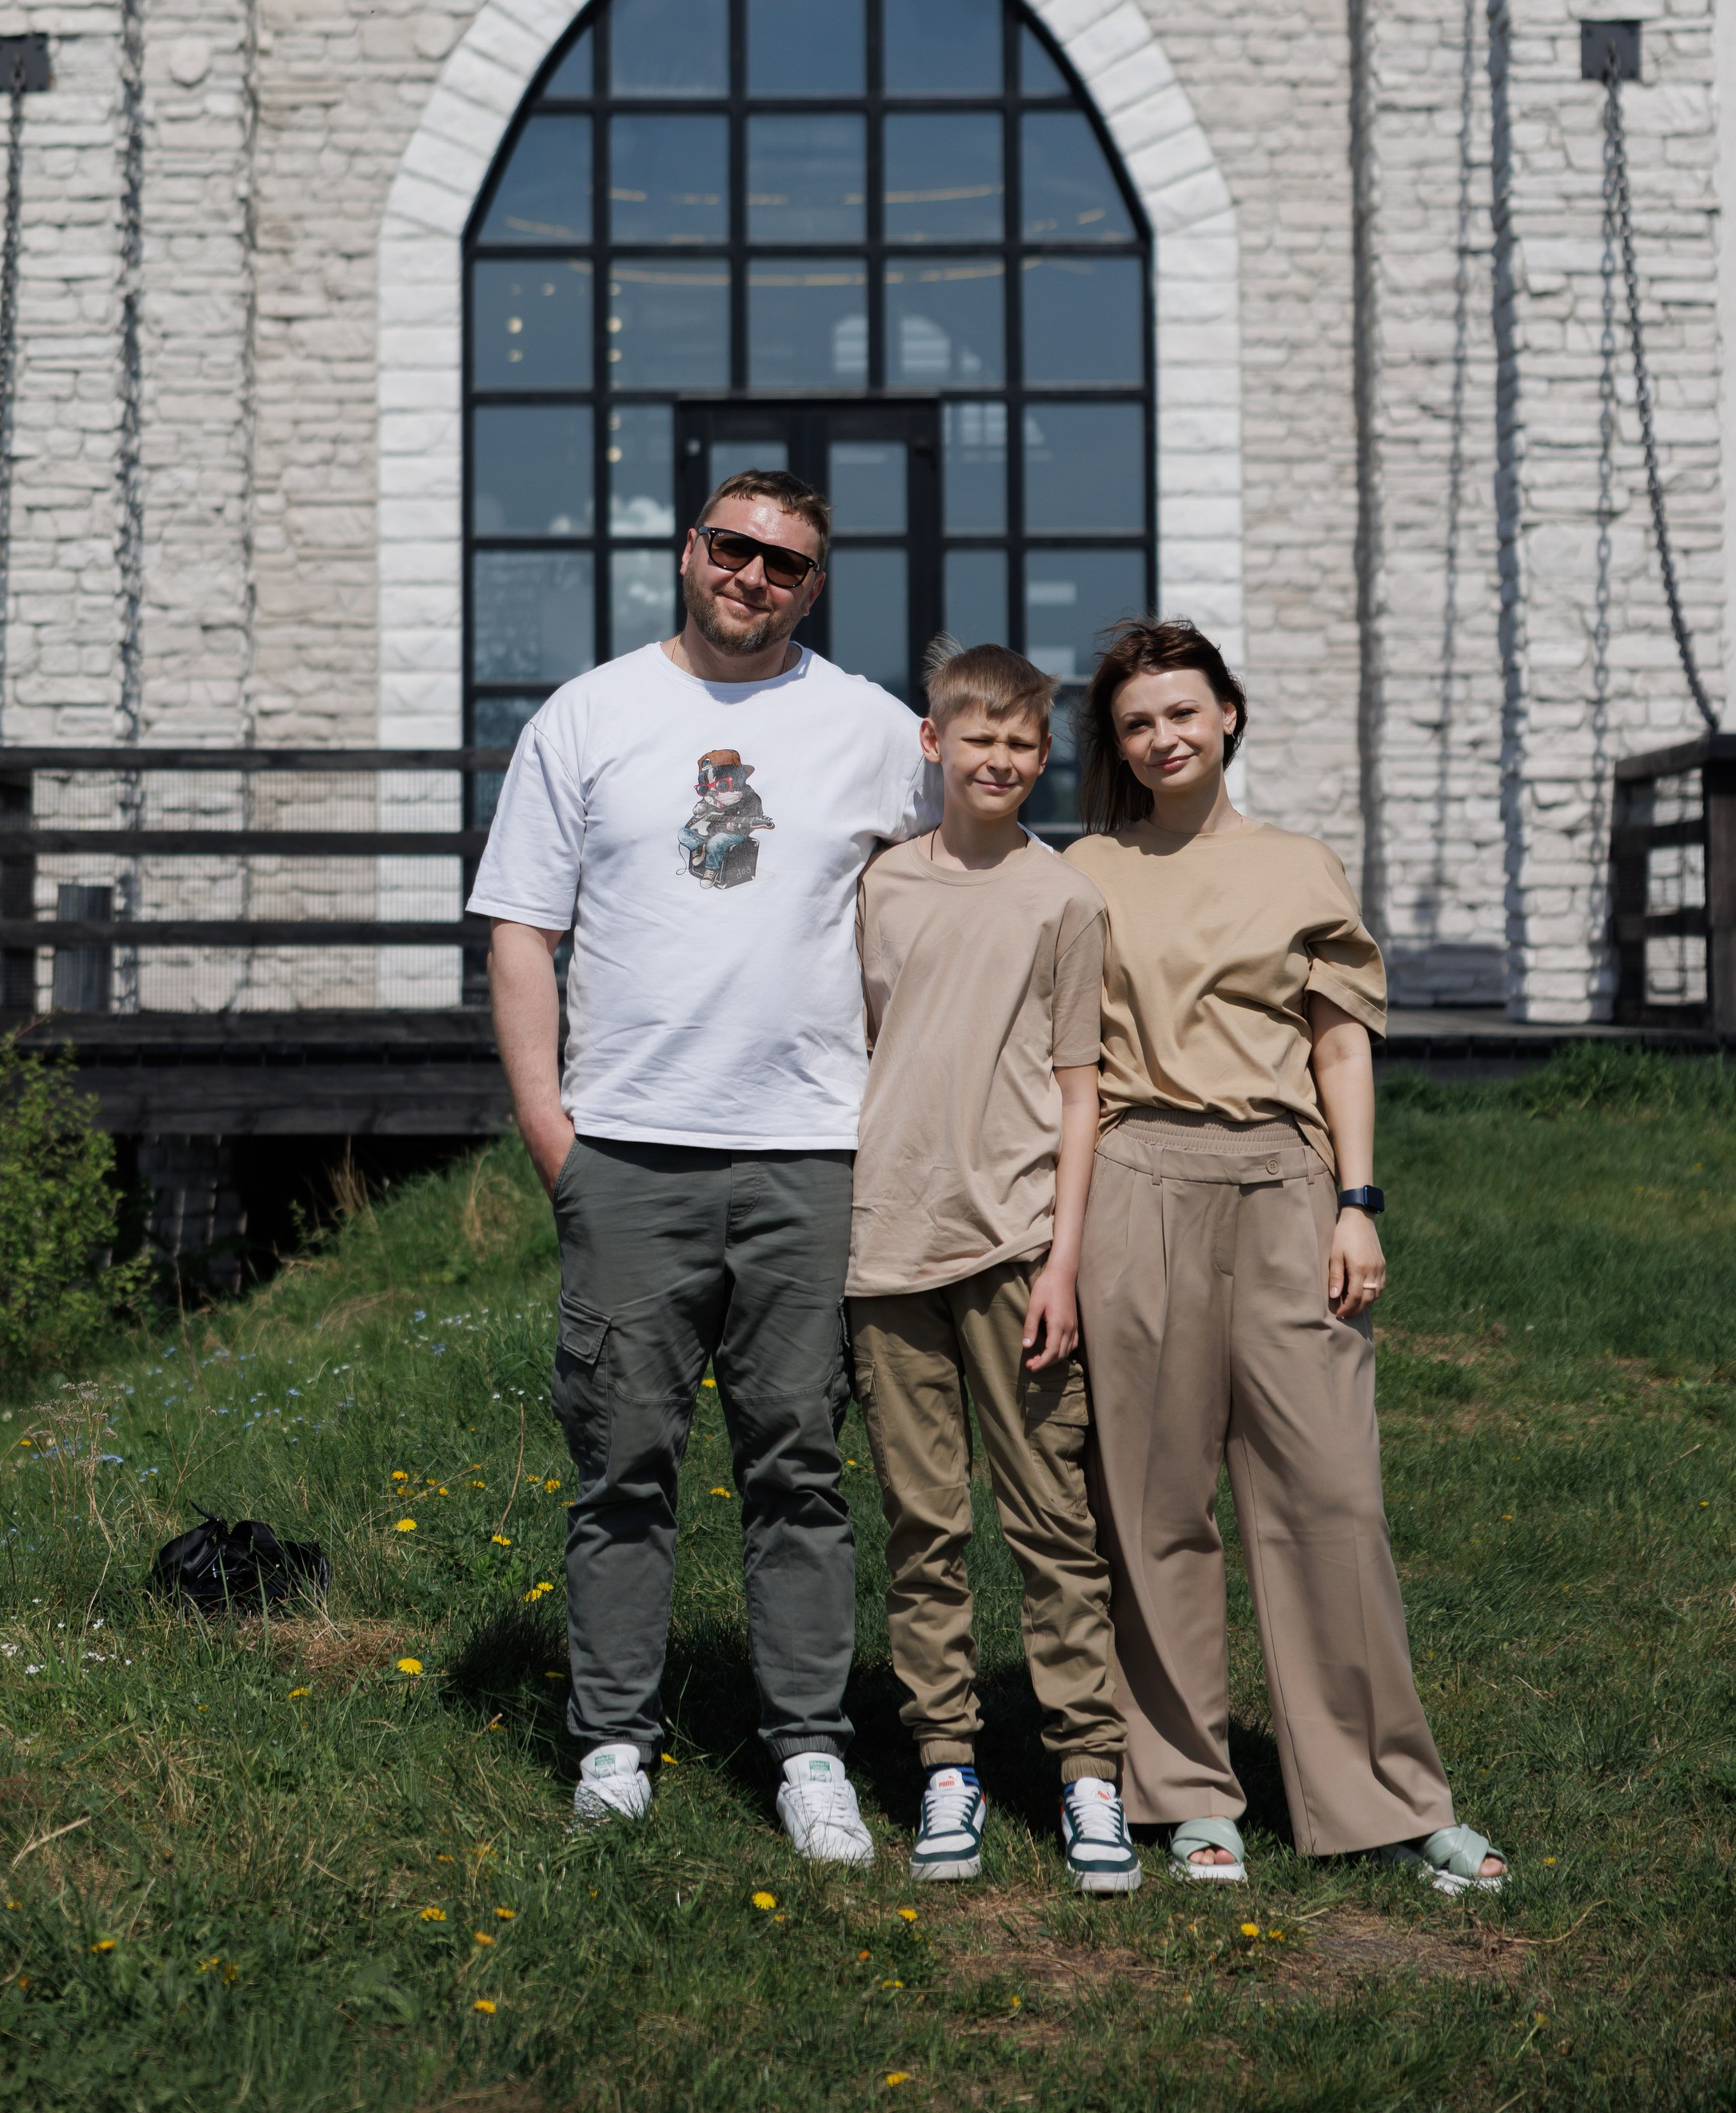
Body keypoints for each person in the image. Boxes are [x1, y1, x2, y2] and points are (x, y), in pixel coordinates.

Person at [470, 469, 936, 1859]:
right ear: (689, 552)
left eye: (784, 563)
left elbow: (974, 864)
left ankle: (809, 1752)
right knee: (623, 1463)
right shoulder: (592, 714)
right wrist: (556, 1135)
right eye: (732, 547)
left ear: (813, 585)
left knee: (801, 1465)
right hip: (628, 1154)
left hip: (811, 1153)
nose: (753, 576)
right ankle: (615, 1737)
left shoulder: (865, 728)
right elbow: (517, 933)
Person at [1066, 618, 1509, 1895]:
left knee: (1332, 1498)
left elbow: (1339, 1048)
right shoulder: (1082, 869)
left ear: (1230, 716)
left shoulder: (1301, 866)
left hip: (1284, 1184)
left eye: (1183, 712)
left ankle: (1386, 1790)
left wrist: (1356, 1202)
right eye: (1139, 721)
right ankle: (1189, 1791)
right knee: (1152, 1506)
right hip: (1137, 1184)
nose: (1163, 736)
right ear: (1120, 742)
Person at [846, 643, 1139, 1896]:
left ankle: (1088, 1774)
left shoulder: (1063, 897)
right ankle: (949, 1762)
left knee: (1054, 1523)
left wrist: (1064, 1258)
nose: (1004, 761)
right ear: (936, 743)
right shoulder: (877, 889)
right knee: (923, 1523)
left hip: (1019, 1242)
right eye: (983, 739)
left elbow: (1083, 1088)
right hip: (885, 1247)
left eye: (1025, 744)